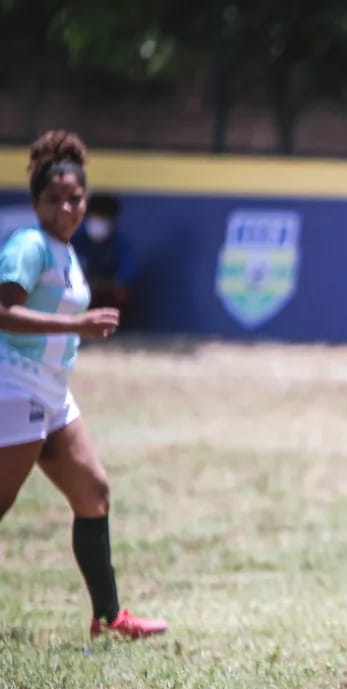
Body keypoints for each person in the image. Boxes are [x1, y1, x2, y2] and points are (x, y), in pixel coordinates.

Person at [0, 130, 167, 639]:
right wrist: (77, 326)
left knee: (93, 493)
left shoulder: (68, 254)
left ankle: (109, 616)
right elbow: (3, 311)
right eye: (55, 199)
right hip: (14, 388)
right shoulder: (30, 245)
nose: (68, 207)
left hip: (52, 393)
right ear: (36, 203)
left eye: (75, 198)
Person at [70, 193, 137, 315]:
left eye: (103, 218)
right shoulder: (76, 240)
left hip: (106, 290)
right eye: (95, 217)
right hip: (80, 287)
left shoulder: (120, 243)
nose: (98, 221)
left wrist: (111, 284)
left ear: (112, 221)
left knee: (120, 294)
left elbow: (128, 271)